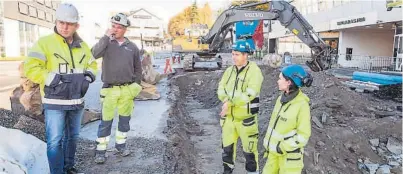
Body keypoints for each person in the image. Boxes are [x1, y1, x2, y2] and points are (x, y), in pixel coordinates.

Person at [24, 3, 97, 174]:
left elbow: (93, 64)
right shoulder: (45, 43)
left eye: (69, 23)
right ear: (56, 22)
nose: (65, 27)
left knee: (72, 137)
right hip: (54, 102)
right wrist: (51, 79)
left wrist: (88, 77)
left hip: (77, 102)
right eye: (61, 22)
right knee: (55, 141)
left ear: (76, 26)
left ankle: (68, 167)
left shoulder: (83, 46)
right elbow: (31, 68)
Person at [91, 13, 142, 164]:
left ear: (125, 29)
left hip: (127, 90)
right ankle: (101, 150)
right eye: (113, 26)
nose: (116, 29)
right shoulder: (106, 43)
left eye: (119, 27)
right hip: (109, 90)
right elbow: (94, 54)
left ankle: (121, 145)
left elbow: (138, 69)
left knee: (124, 121)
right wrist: (105, 37)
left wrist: (136, 86)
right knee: (106, 121)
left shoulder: (132, 47)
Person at [217, 40, 264, 174]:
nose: (233, 57)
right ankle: (227, 171)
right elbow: (221, 88)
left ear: (245, 55)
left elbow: (249, 94)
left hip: (246, 121)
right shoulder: (229, 71)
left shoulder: (254, 72)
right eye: (232, 54)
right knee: (227, 150)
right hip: (229, 120)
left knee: (249, 153)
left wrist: (229, 102)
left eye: (237, 54)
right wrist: (226, 100)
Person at [262, 64, 313, 174]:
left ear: (289, 82)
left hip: (289, 160)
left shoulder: (302, 105)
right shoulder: (281, 99)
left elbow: (303, 136)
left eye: (280, 78)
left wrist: (282, 147)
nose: (277, 81)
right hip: (273, 154)